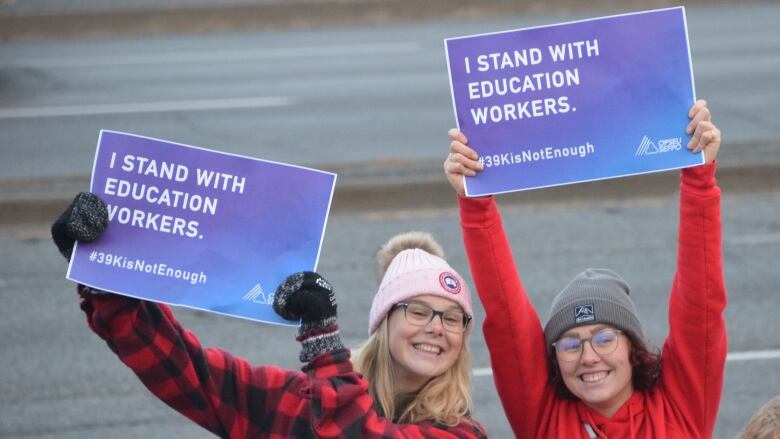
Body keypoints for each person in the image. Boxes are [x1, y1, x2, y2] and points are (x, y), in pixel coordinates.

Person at [51, 197, 487, 439]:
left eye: (453, 319)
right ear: (383, 322)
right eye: (418, 310)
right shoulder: (301, 404)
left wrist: (322, 341)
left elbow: (359, 434)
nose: (436, 327)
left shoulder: (462, 435)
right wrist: (103, 271)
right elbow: (187, 372)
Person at [443, 99, 725, 438]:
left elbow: (701, 305)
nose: (588, 357)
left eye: (604, 339)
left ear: (633, 350)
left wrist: (699, 177)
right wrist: (476, 203)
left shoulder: (681, 407)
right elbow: (506, 318)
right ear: (555, 362)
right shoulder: (542, 416)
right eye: (570, 345)